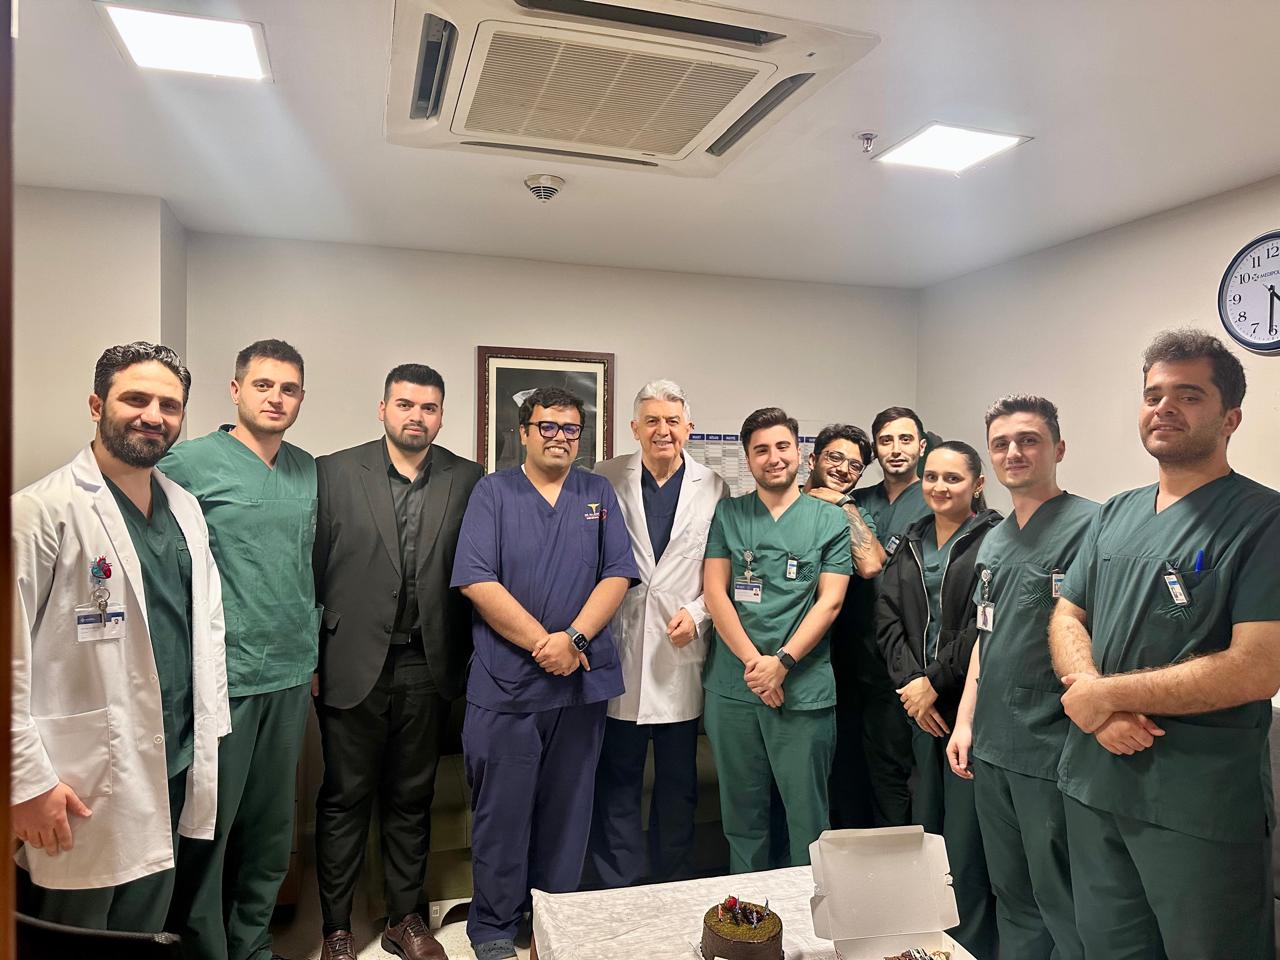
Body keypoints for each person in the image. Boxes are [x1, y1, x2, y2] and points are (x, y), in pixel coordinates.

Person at [1049, 329, 1280, 960]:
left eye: (1189, 395)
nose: (1164, 408)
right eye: (1153, 395)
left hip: (1195, 801)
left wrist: (1104, 696)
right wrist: (1098, 707)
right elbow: (1068, 613)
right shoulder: (1115, 512)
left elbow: (1257, 668)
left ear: (1231, 417)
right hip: (1096, 781)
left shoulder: (1263, 520)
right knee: (1108, 948)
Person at [11, 342, 229, 932]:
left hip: (174, 758)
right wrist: (25, 783)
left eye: (169, 405)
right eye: (136, 399)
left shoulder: (184, 508)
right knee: (77, 928)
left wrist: (208, 734)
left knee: (145, 923)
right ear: (96, 405)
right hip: (78, 775)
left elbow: (206, 628)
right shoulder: (40, 512)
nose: (153, 416)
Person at [451, 386, 638, 960]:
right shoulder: (493, 492)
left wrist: (574, 639)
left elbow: (617, 574)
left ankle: (553, 923)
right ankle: (493, 927)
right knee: (501, 815)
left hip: (579, 684)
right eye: (548, 426)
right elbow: (476, 579)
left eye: (571, 429)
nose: (560, 437)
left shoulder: (596, 493)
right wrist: (543, 644)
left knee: (568, 814)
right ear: (525, 432)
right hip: (507, 686)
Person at [311, 364, 482, 960]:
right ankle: (336, 928)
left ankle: (404, 920)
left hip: (426, 663)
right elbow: (310, 568)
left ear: (441, 416)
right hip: (349, 659)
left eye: (429, 407)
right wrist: (312, 657)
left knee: (412, 798)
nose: (417, 416)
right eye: (406, 404)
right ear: (382, 408)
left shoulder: (467, 478)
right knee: (344, 798)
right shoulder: (333, 472)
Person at [160, 339, 318, 960]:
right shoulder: (188, 462)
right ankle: (207, 948)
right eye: (263, 385)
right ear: (235, 390)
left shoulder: (307, 469)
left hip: (291, 673)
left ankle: (253, 944)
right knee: (211, 825)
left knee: (272, 828)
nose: (276, 398)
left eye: (288, 389)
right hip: (223, 677)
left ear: (300, 398)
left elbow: (309, 565)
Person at [946, 396, 1096, 960]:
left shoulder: (1092, 526)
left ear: (1059, 448)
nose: (1014, 452)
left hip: (1053, 746)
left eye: (1029, 440)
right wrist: (965, 721)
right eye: (1002, 443)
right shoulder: (995, 539)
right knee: (1011, 893)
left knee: (1062, 898)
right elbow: (987, 637)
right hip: (992, 746)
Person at [589, 380, 729, 887]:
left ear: (688, 427)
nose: (662, 430)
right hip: (620, 646)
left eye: (672, 421)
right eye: (651, 420)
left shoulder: (714, 486)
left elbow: (721, 568)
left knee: (677, 784)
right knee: (618, 780)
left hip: (680, 652)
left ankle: (675, 880)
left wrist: (700, 613)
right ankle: (619, 884)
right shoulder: (604, 477)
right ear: (634, 428)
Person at [702, 407, 851, 873]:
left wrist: (782, 663)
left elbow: (830, 602)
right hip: (735, 687)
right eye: (761, 450)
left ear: (800, 453)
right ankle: (746, 908)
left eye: (782, 446)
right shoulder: (729, 514)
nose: (774, 458)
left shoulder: (829, 520)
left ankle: (811, 910)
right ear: (748, 459)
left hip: (802, 688)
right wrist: (756, 666)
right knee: (741, 815)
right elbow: (715, 594)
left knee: (807, 816)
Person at [876, 440, 1000, 958]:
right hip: (918, 708)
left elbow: (982, 626)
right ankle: (929, 940)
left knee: (966, 840)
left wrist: (935, 683)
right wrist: (912, 686)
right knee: (926, 831)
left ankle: (969, 945)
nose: (939, 487)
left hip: (966, 706)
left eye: (953, 478)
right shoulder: (910, 540)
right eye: (932, 477)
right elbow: (886, 617)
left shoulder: (993, 540)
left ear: (977, 484)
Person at [851, 405, 934, 825]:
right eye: (886, 441)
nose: (896, 449)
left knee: (909, 769)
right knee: (861, 766)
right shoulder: (858, 499)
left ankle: (909, 849)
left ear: (922, 445)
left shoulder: (936, 498)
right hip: (856, 653)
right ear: (875, 449)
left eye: (905, 439)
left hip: (912, 657)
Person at [801, 424, 885, 829]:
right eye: (835, 457)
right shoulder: (784, 503)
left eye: (855, 466)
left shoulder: (851, 509)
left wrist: (840, 502)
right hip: (776, 651)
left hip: (838, 657)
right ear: (812, 459)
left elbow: (870, 564)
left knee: (839, 767)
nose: (843, 469)